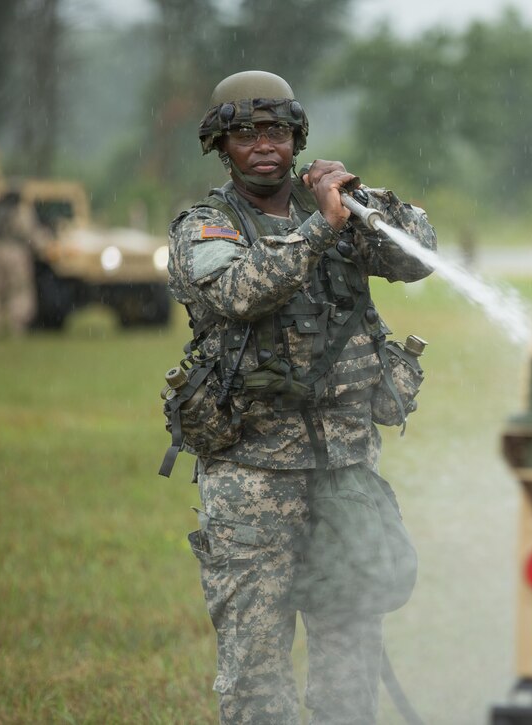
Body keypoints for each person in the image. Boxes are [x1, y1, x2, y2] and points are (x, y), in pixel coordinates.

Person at [165, 70, 436, 724]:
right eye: (247, 133)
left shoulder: (339, 211)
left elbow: (418, 254)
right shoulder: (206, 226)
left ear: (297, 138)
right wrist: (321, 231)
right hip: (252, 481)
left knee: (349, 675)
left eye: (278, 131)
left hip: (345, 475)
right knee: (257, 682)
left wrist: (362, 201)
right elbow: (238, 291)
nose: (265, 145)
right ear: (221, 145)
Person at [0, 190, 39, 338]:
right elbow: (30, 232)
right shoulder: (20, 210)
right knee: (19, 290)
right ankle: (17, 327)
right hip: (14, 253)